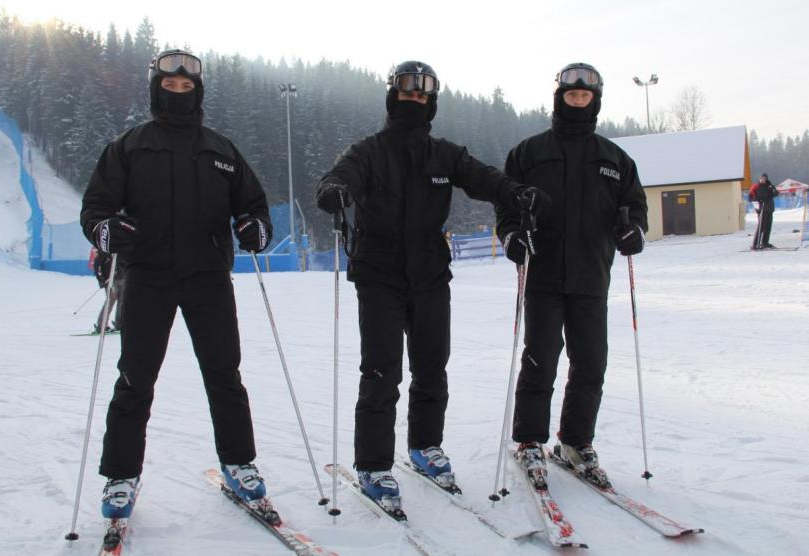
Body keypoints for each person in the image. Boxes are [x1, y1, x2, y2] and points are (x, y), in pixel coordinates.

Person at [316, 60, 549, 509]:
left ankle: (425, 446)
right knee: (382, 372)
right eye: (406, 95)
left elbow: (484, 178)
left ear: (431, 104)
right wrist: (334, 191)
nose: (413, 102)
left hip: (429, 275)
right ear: (392, 98)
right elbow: (337, 178)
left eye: (421, 97)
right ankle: (374, 465)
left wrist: (515, 193)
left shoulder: (445, 155)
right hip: (379, 275)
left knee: (431, 367)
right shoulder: (369, 150)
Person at [80, 49, 273, 519]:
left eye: (187, 88)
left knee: (225, 376)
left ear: (198, 92)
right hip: (148, 277)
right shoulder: (128, 147)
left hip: (208, 278)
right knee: (135, 378)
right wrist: (105, 231)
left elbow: (255, 207)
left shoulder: (222, 150)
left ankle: (238, 463)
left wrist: (255, 229)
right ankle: (121, 476)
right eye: (171, 87)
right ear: (156, 89)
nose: (179, 94)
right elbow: (96, 207)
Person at [496, 63, 648, 488]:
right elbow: (506, 204)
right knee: (540, 359)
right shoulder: (529, 152)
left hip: (592, 276)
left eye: (584, 96)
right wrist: (510, 235)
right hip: (543, 273)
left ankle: (575, 442)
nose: (577, 101)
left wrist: (634, 228)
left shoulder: (615, 159)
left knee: (590, 364)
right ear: (559, 98)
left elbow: (636, 207)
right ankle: (529, 442)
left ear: (594, 101)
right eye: (571, 95)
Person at [89, 247, 125, 333]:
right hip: (110, 281)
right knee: (110, 301)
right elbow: (97, 267)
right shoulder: (103, 254)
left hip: (122, 279)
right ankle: (101, 325)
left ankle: (119, 324)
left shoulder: (119, 253)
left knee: (122, 301)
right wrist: (101, 280)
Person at [749, 172, 778, 249]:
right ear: (760, 178)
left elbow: (775, 193)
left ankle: (764, 242)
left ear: (766, 179)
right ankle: (755, 244)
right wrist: (758, 202)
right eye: (762, 178)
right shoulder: (756, 186)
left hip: (770, 209)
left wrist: (772, 188)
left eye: (764, 178)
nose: (763, 179)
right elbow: (751, 197)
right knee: (761, 227)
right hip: (762, 209)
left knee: (768, 227)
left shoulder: (769, 186)